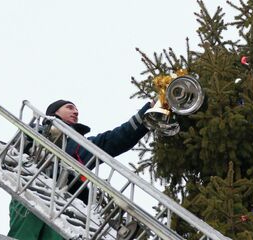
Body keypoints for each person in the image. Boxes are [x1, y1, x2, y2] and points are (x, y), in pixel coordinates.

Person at [8, 99, 151, 240]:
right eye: (69, 107)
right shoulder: (35, 131)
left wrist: (149, 110)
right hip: (30, 193)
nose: (75, 112)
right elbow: (13, 153)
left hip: (66, 207)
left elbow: (118, 137)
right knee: (25, 232)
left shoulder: (81, 146)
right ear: (54, 112)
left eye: (76, 110)